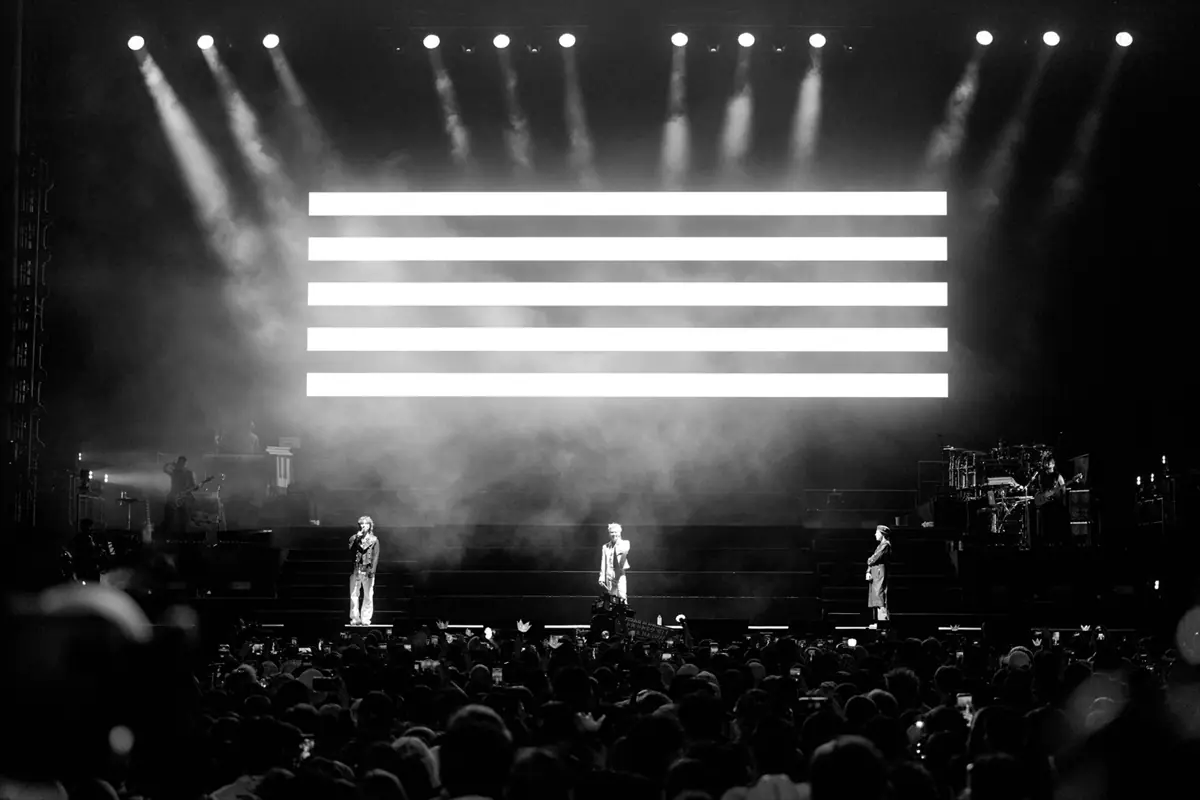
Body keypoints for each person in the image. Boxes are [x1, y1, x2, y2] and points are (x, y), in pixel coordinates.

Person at [349, 516, 380, 625]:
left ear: (370, 526)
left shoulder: (374, 540)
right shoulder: (354, 538)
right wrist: (356, 538)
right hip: (356, 569)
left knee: (368, 595)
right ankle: (355, 618)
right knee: (354, 595)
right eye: (361, 523)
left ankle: (366, 618)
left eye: (366, 523)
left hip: (367, 570)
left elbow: (375, 556)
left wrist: (372, 571)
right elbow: (350, 550)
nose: (363, 526)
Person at [161, 456, 197, 535]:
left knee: (183, 518)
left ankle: (183, 535)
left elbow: (194, 485)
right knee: (168, 516)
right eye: (179, 462)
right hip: (173, 496)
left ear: (185, 464)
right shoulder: (174, 472)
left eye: (182, 463)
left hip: (184, 498)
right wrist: (171, 463)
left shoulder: (189, 473)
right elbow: (165, 469)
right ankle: (167, 533)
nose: (181, 464)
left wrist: (188, 490)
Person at [599, 522, 631, 603]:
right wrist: (602, 577)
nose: (614, 534)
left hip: (619, 575)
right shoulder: (605, 547)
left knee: (622, 597)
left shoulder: (625, 543)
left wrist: (617, 542)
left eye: (616, 532)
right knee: (612, 599)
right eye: (612, 532)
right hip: (609, 575)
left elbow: (623, 553)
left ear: (620, 533)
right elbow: (603, 563)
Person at [866, 524, 891, 629]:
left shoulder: (885, 545)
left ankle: (882, 622)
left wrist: (869, 561)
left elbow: (874, 558)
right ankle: (878, 621)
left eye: (877, 532)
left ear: (882, 534)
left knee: (880, 597)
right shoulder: (880, 545)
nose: (875, 534)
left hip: (880, 573)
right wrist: (868, 570)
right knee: (876, 597)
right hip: (876, 572)